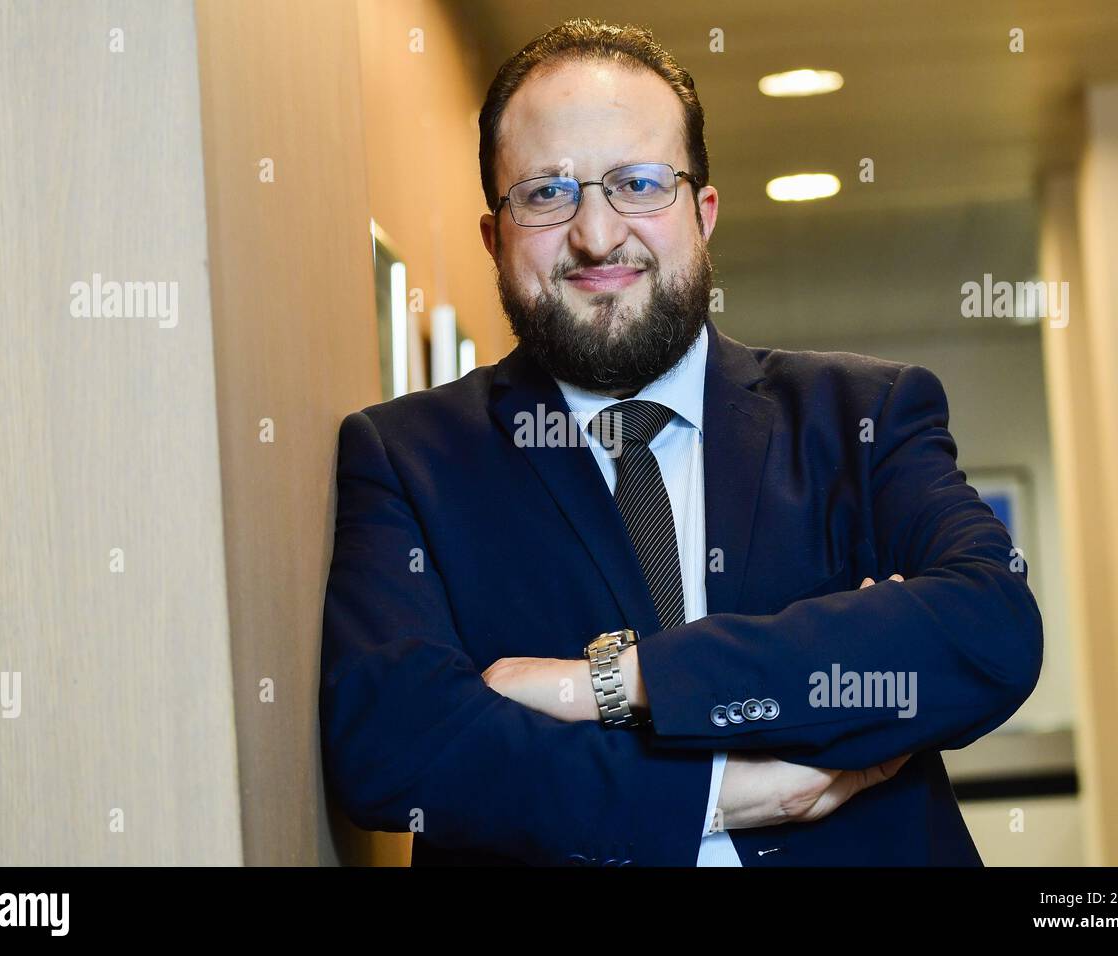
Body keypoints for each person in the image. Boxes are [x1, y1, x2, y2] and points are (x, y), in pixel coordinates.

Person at [319, 18, 1042, 866]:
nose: (597, 235)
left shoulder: (862, 415)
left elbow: (988, 631)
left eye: (638, 183)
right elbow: (395, 745)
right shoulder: (408, 458)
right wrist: (721, 790)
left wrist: (612, 686)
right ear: (494, 237)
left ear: (702, 213)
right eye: (547, 194)